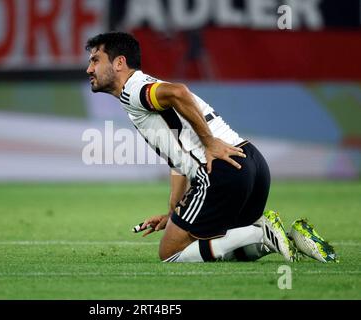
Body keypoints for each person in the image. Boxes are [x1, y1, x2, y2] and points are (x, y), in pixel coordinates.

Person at [85, 32, 338, 263]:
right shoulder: (140, 91)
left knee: (170, 254)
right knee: (222, 244)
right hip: (251, 163)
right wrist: (174, 215)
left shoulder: (135, 89)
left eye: (96, 60)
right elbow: (178, 159)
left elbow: (179, 92)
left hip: (221, 171)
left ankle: (260, 233)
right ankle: (286, 239)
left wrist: (209, 143)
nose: (89, 69)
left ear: (119, 63)